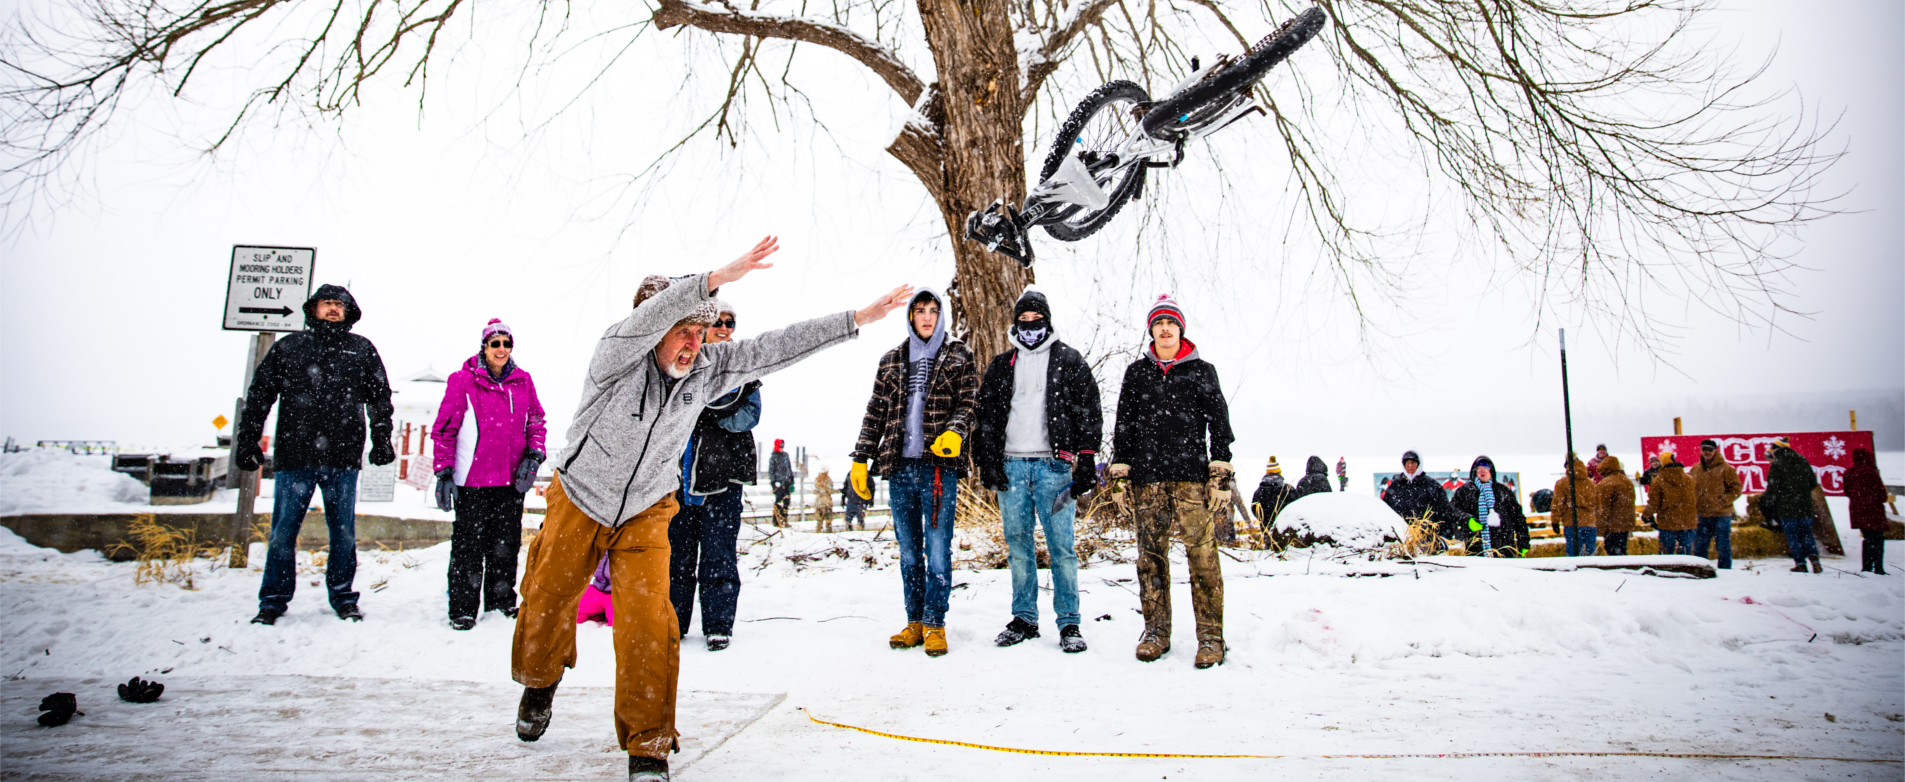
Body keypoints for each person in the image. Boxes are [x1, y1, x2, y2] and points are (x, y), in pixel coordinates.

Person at [507, 237, 913, 782]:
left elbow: (776, 346)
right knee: (548, 597)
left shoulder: (706, 368)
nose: (693, 346)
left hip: (647, 508)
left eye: (701, 334)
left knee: (651, 620)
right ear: (654, 330)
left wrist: (857, 318)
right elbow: (654, 315)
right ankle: (539, 682)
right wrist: (716, 277)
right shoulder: (616, 355)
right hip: (580, 495)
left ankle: (648, 744)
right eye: (683, 332)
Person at [236, 285, 395, 625]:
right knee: (282, 532)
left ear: (349, 310)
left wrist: (382, 440)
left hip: (343, 456)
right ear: (314, 309)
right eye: (328, 304)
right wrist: (248, 439)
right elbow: (260, 393)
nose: (334, 309)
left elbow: (380, 398)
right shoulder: (289, 347)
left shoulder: (361, 350)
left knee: (343, 533)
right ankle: (273, 601)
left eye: (340, 304)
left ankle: (343, 596)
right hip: (296, 456)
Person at [849, 287, 979, 658]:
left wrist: (955, 431)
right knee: (909, 553)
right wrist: (861, 457)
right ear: (910, 316)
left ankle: (935, 622)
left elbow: (970, 402)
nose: (926, 316)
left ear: (941, 316)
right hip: (899, 468)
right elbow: (875, 411)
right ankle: (915, 621)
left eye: (933, 310)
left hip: (938, 469)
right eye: (919, 310)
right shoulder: (891, 359)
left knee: (937, 551)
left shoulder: (958, 354)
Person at [1108, 294, 1235, 669]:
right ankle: (1156, 632)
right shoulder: (1137, 373)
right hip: (1148, 481)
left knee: (1203, 558)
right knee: (1150, 558)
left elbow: (1220, 424)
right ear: (1151, 330)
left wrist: (1220, 473)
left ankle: (1211, 637)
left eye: (1171, 323)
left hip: (1192, 481)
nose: (1165, 329)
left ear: (1181, 329)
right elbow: (1124, 425)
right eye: (1159, 323)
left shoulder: (1202, 371)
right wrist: (1120, 474)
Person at [973, 288, 1102, 654]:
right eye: (1023, 322)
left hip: (1054, 468)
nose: (1030, 328)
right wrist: (988, 463)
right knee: (1018, 545)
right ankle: (1024, 618)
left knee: (1062, 548)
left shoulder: (1069, 360)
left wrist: (1087, 459)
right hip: (1012, 469)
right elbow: (986, 418)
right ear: (1016, 325)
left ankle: (1069, 622)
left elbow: (1089, 411)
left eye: (1036, 321)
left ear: (1047, 321)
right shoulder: (1002, 365)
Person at [430, 318, 548, 630]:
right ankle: (463, 609)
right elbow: (444, 430)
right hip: (472, 481)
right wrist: (443, 471)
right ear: (484, 347)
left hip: (511, 481)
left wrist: (534, 456)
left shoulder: (523, 381)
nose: (501, 349)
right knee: (469, 547)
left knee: (506, 544)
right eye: (495, 343)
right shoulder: (462, 380)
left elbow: (536, 420)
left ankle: (501, 602)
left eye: (506, 343)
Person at [665, 300, 762, 652]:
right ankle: (672, 622)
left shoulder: (743, 365)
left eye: (730, 323)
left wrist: (709, 411)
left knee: (719, 554)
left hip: (724, 476)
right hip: (680, 478)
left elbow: (748, 415)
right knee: (677, 555)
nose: (723, 328)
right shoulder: (683, 362)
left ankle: (718, 624)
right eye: (718, 322)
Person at [1760, 437, 1822, 573]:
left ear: (1776, 450)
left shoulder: (1777, 464)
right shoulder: (1803, 461)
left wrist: (1768, 504)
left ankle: (1800, 563)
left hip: (1787, 508)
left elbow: (1773, 487)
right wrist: (1801, 492)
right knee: (1807, 534)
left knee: (1793, 536)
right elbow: (1813, 483)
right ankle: (1815, 560)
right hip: (1805, 506)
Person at [1449, 456, 1528, 557]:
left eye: (1486, 468)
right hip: (1476, 549)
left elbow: (1518, 518)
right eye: (1479, 468)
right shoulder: (1465, 491)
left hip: (1504, 547)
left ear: (1491, 471)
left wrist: (1523, 542)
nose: (1482, 471)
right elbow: (1451, 510)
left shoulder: (1503, 491)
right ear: (1474, 471)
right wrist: (1467, 520)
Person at [1690, 438, 1743, 569]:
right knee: (1700, 545)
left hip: (1722, 514)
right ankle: (1700, 569)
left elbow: (1736, 489)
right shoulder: (1695, 470)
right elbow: (1689, 490)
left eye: (1710, 450)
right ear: (1701, 451)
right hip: (1702, 514)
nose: (1707, 452)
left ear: (1716, 451)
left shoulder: (1726, 469)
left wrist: (1723, 501)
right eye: (1704, 449)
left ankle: (1725, 571)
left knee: (1722, 545)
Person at [1642, 451, 1697, 555]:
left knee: (1666, 555)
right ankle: (1685, 570)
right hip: (1688, 522)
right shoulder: (1690, 480)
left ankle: (1666, 571)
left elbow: (1654, 503)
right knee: (1685, 555)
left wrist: (1646, 516)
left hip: (1668, 523)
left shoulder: (1658, 481)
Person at [1846, 449, 1889, 575]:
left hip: (1858, 510)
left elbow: (1847, 491)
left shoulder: (1849, 472)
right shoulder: (1871, 472)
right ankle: (1878, 567)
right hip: (1873, 509)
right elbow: (1881, 493)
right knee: (1878, 539)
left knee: (1867, 539)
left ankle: (1866, 566)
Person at [1552, 455, 1596, 557]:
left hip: (1571, 522)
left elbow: (1557, 505)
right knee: (1590, 556)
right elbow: (1598, 504)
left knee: (1573, 556)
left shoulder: (1562, 483)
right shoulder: (1591, 484)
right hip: (1590, 523)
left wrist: (1555, 521)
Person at [1592, 455, 1637, 555]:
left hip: (1612, 526)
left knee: (1612, 552)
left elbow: (1603, 508)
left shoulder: (1605, 484)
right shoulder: (1627, 482)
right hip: (1625, 525)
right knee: (1622, 550)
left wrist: (1599, 528)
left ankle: (1617, 570)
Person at [1251, 457, 1298, 537]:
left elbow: (1254, 509)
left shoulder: (1259, 491)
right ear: (1279, 473)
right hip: (1285, 528)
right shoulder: (1288, 489)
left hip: (1266, 527)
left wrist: (1264, 519)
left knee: (1269, 547)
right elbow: (1296, 507)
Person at [768, 439, 794, 527]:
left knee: (787, 501)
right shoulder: (773, 457)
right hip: (778, 483)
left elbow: (789, 468)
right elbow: (771, 471)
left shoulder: (786, 455)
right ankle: (777, 521)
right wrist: (773, 483)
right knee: (779, 502)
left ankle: (785, 520)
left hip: (786, 482)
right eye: (780, 446)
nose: (782, 448)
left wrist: (791, 479)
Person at [812, 468, 835, 532]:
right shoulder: (818, 480)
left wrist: (824, 487)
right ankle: (820, 531)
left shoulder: (828, 480)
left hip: (825, 502)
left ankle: (826, 532)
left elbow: (830, 490)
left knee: (827, 521)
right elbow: (815, 490)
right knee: (820, 521)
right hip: (821, 502)